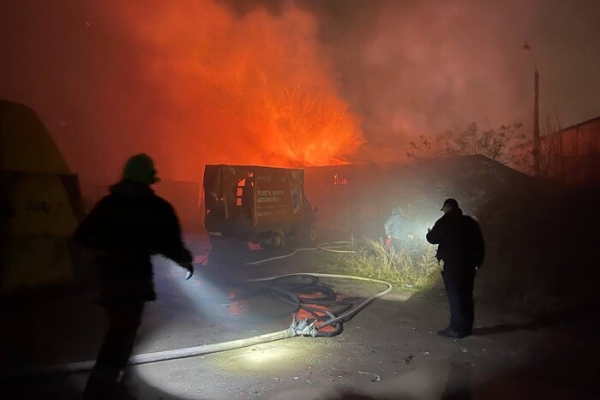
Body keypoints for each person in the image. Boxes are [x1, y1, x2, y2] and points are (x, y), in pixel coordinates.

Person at [73, 153, 194, 399]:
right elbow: (170, 244)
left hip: (108, 278)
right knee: (123, 331)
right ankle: (100, 388)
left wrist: (107, 245)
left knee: (120, 328)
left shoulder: (108, 205)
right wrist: (184, 260)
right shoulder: (157, 208)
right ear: (150, 179)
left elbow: (82, 236)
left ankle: (114, 380)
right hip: (134, 279)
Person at [426, 198, 485, 339]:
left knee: (455, 295)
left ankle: (456, 328)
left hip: (453, 264)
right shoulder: (470, 222)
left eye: (444, 209)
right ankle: (466, 327)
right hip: (469, 265)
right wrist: (478, 262)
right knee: (466, 294)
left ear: (448, 207)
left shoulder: (445, 221)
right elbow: (480, 244)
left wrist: (430, 232)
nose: (444, 211)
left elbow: (433, 238)